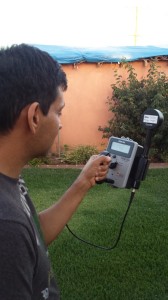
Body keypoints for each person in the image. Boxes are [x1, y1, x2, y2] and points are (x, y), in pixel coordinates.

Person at [0, 44, 111, 300]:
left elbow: (33, 238)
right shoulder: (6, 227)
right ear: (34, 117)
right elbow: (17, 234)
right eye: (59, 112)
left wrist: (83, 182)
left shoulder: (9, 179)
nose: (60, 124)